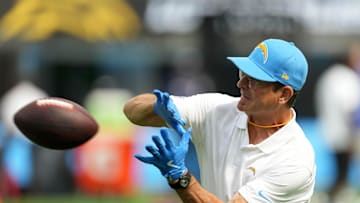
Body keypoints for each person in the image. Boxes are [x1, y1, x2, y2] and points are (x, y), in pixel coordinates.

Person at [124, 38, 316, 202]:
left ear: (284, 94)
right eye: (243, 74)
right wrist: (160, 108)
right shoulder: (217, 109)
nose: (240, 84)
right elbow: (131, 109)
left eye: (254, 80)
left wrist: (181, 178)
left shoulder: (296, 159)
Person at [315, 43, 360, 202]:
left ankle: (333, 195)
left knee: (340, 171)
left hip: (331, 129)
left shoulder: (330, 75)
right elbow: (350, 107)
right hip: (344, 131)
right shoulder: (345, 77)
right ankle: (335, 196)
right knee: (342, 171)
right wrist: (354, 132)